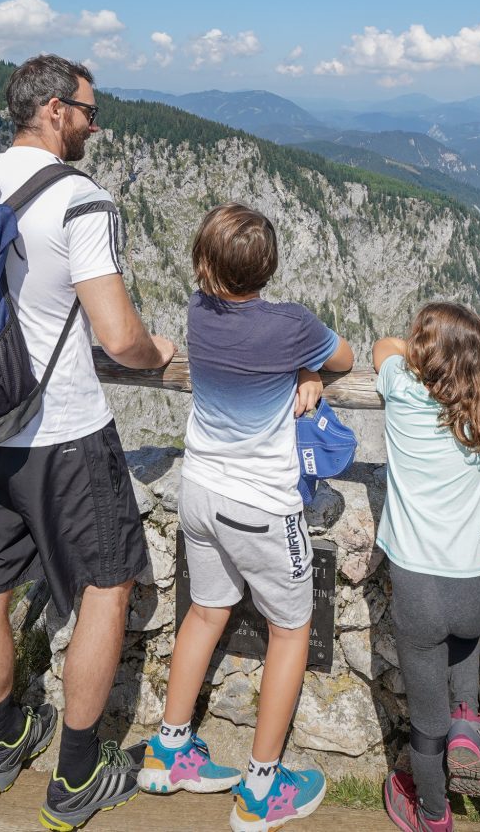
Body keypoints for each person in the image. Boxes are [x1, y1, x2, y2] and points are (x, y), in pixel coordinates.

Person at [0, 54, 178, 832]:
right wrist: (161, 354)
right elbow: (117, 332)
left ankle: (6, 739)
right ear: (53, 109)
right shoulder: (80, 199)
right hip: (63, 432)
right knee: (105, 587)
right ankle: (76, 774)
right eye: (89, 110)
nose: (94, 124)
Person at [136, 203, 355, 831]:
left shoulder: (197, 312)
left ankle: (170, 748)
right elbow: (341, 357)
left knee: (206, 612)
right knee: (291, 628)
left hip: (199, 491)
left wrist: (299, 365)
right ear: (271, 265)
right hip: (261, 505)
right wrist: (309, 367)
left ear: (207, 264)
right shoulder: (291, 325)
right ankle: (261, 790)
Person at [369, 303, 480, 832]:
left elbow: (383, 345)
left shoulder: (403, 392)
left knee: (427, 725)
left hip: (420, 588)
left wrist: (420, 351)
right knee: (463, 638)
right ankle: (468, 716)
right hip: (477, 587)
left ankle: (432, 814)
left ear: (426, 355)